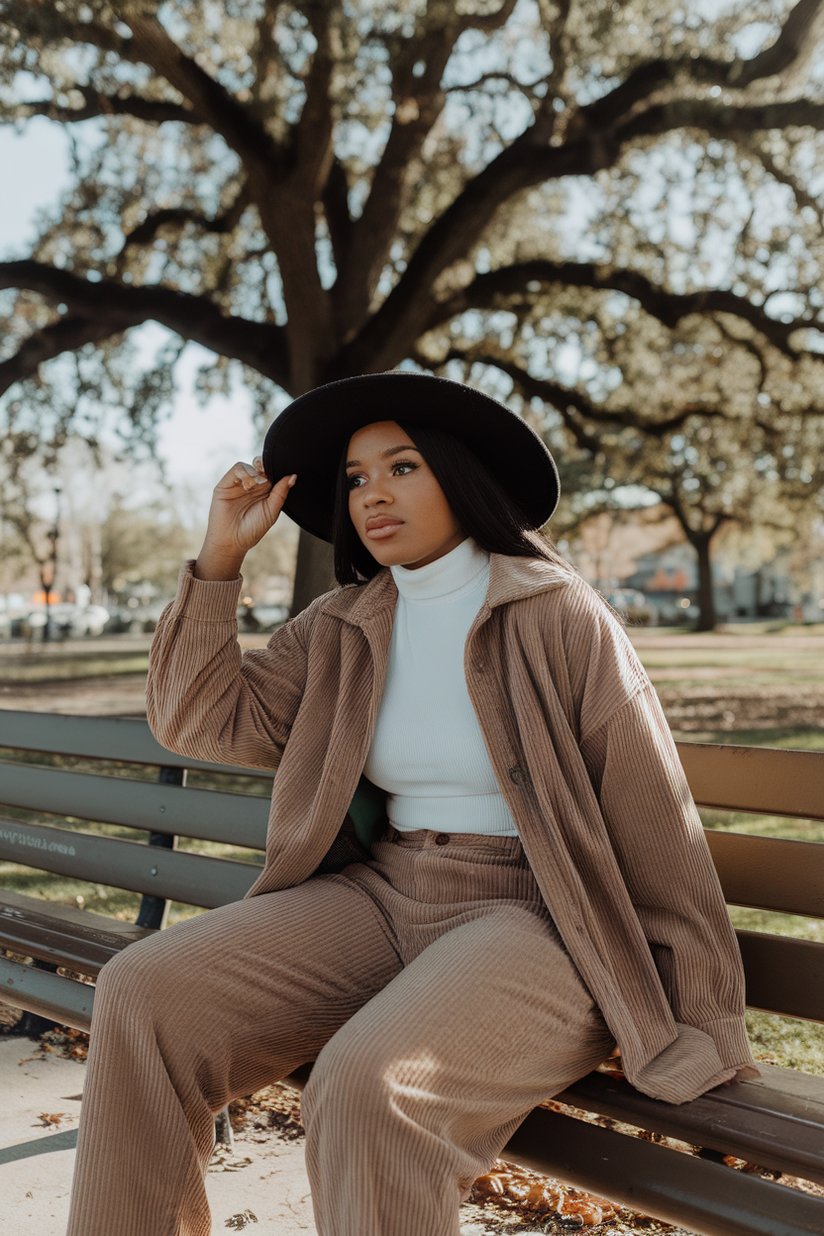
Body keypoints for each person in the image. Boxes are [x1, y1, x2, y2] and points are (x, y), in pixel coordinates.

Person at [66, 372, 755, 1236]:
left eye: (403, 467)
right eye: (356, 479)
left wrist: (703, 1020)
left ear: (461, 476)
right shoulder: (345, 622)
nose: (373, 495)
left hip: (536, 919)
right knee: (142, 990)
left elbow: (655, 817)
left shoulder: (556, 614)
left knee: (366, 1083)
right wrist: (220, 562)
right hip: (384, 896)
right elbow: (200, 721)